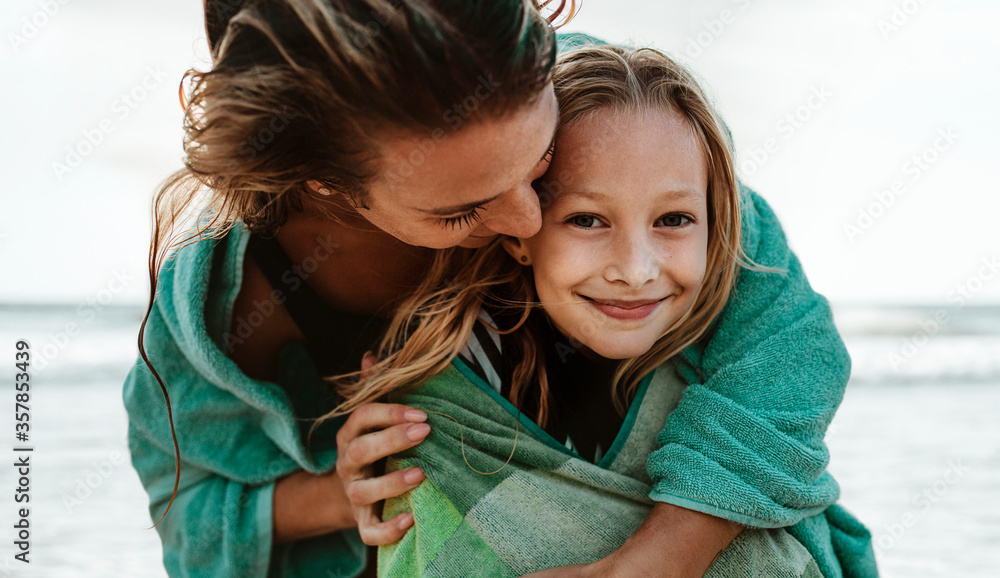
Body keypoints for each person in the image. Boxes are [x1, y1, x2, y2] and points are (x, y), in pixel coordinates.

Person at [122, 1, 866, 576]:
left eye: (541, 157)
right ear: (325, 182)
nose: (525, 216)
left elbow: (786, 346)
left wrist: (658, 557)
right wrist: (339, 496)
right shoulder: (232, 309)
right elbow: (186, 511)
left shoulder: (613, 115)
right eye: (461, 210)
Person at [321, 44, 878, 577]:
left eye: (674, 220)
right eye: (587, 219)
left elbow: (796, 351)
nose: (635, 271)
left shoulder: (733, 283)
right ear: (517, 228)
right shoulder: (438, 383)